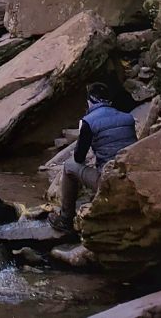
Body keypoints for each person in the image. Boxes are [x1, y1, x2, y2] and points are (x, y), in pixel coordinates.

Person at [50, 82, 137, 232]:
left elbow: (78, 157)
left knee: (69, 166)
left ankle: (65, 219)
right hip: (131, 178)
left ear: (90, 101)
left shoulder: (88, 121)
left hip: (109, 181)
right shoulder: (127, 118)